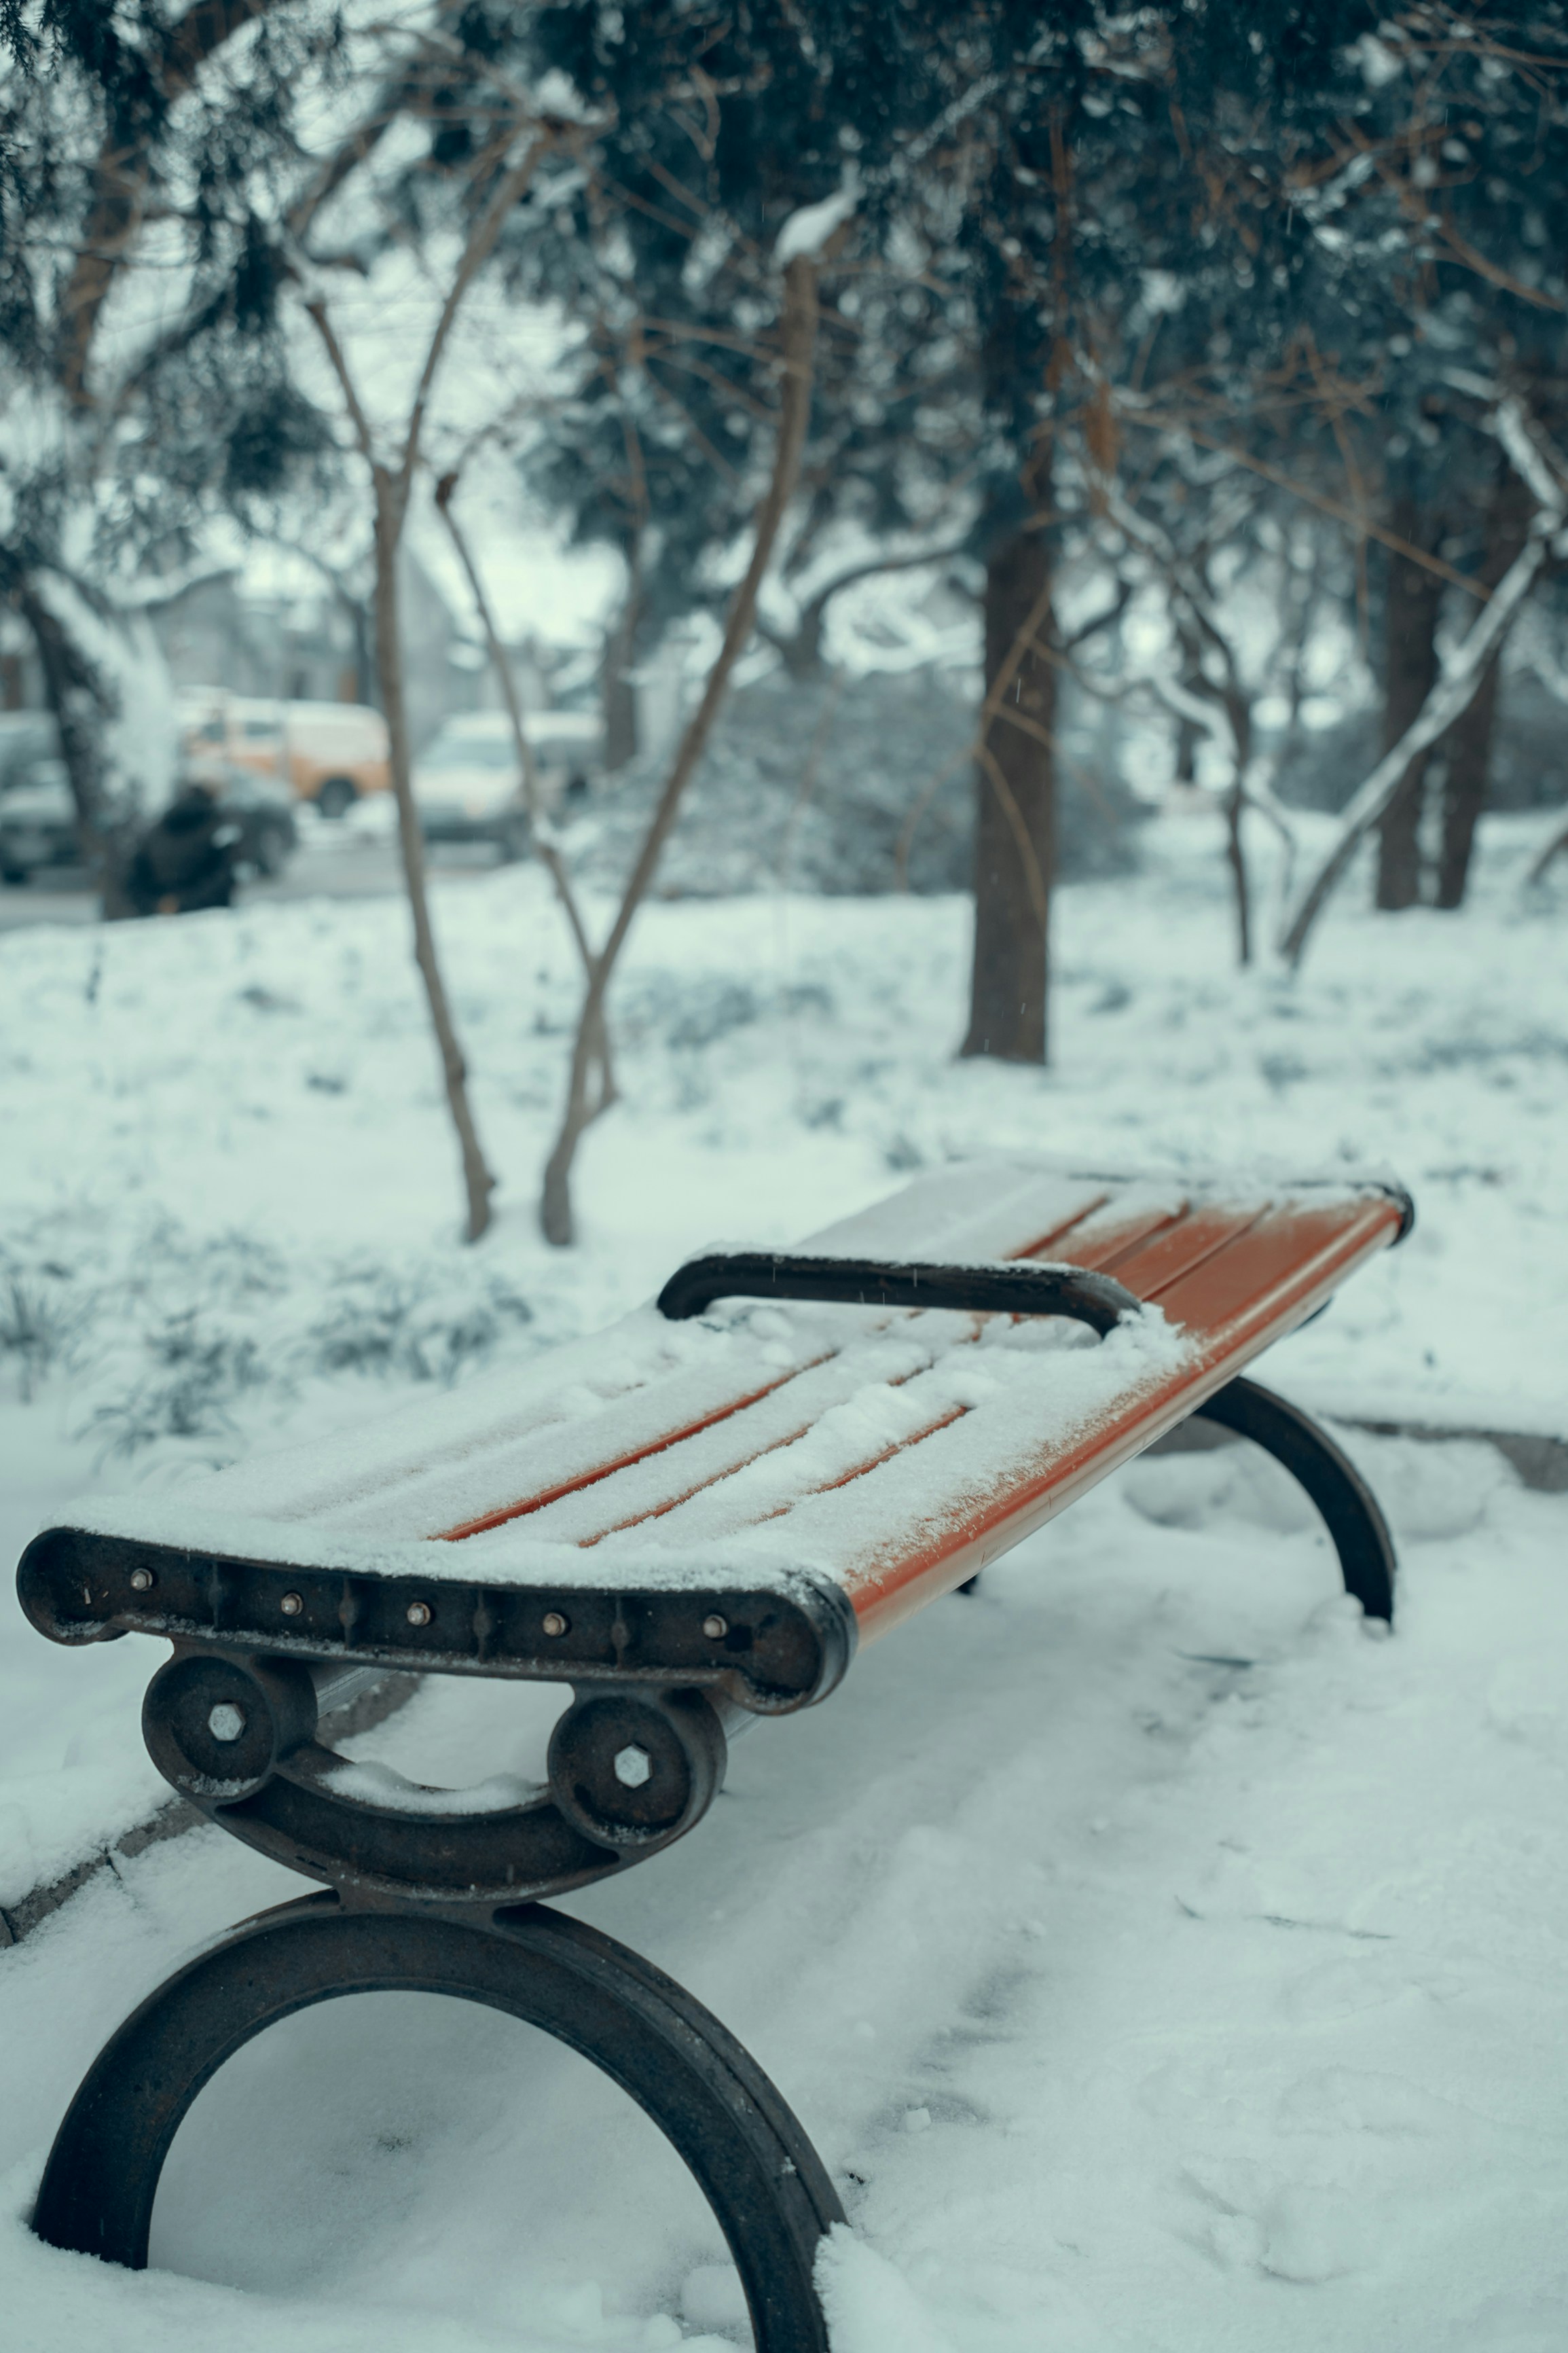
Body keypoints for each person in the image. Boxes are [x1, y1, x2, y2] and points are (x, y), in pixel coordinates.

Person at [126, 779, 238, 916]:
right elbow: (225, 874)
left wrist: (160, 904)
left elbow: (134, 877)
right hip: (211, 918)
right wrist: (185, 903)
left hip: (160, 919)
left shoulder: (156, 831)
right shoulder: (218, 825)